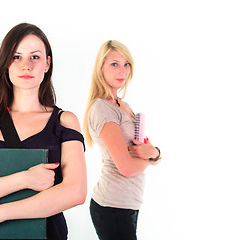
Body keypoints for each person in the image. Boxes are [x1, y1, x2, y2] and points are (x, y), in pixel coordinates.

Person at [0, 23, 87, 240]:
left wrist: (1, 213)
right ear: (5, 64)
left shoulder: (65, 121)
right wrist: (25, 179)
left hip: (47, 234)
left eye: (35, 57)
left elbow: (76, 192)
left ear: (47, 63)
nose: (26, 66)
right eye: (16, 57)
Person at [83, 40, 161, 240]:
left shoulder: (123, 105)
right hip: (113, 205)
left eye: (126, 64)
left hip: (128, 203)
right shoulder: (102, 108)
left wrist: (154, 153)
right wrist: (152, 155)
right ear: (101, 68)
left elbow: (143, 148)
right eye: (114, 64)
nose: (122, 71)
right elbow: (126, 167)